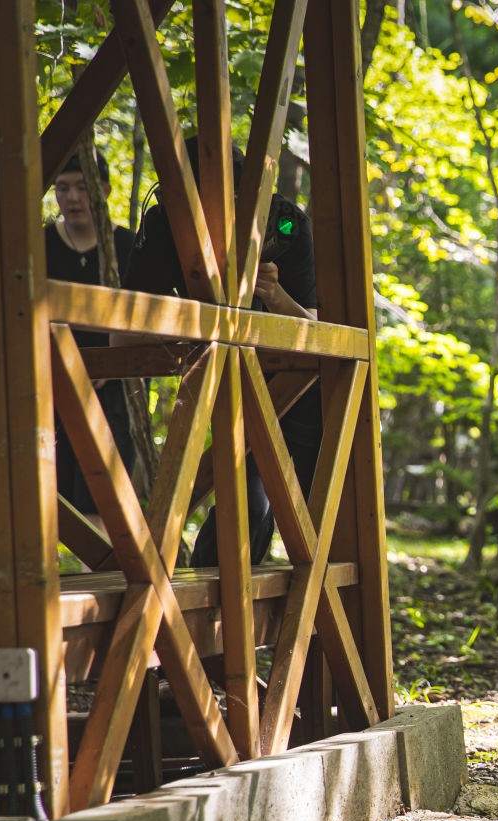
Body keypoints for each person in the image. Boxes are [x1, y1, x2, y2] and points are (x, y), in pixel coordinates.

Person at [122, 137, 319, 567]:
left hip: (298, 383)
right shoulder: (163, 225)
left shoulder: (285, 223)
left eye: (232, 197)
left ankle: (298, 599)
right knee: (247, 507)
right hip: (223, 375)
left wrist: (275, 296)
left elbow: (314, 332)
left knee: (316, 509)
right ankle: (214, 591)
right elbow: (125, 335)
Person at [46, 152, 137, 533]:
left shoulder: (127, 245)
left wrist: (112, 361)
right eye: (62, 188)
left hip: (110, 390)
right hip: (49, 387)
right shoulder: (40, 243)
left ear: (104, 191)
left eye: (83, 188)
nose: (72, 198)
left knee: (102, 500)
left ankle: (100, 568)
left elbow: (144, 316)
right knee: (48, 496)